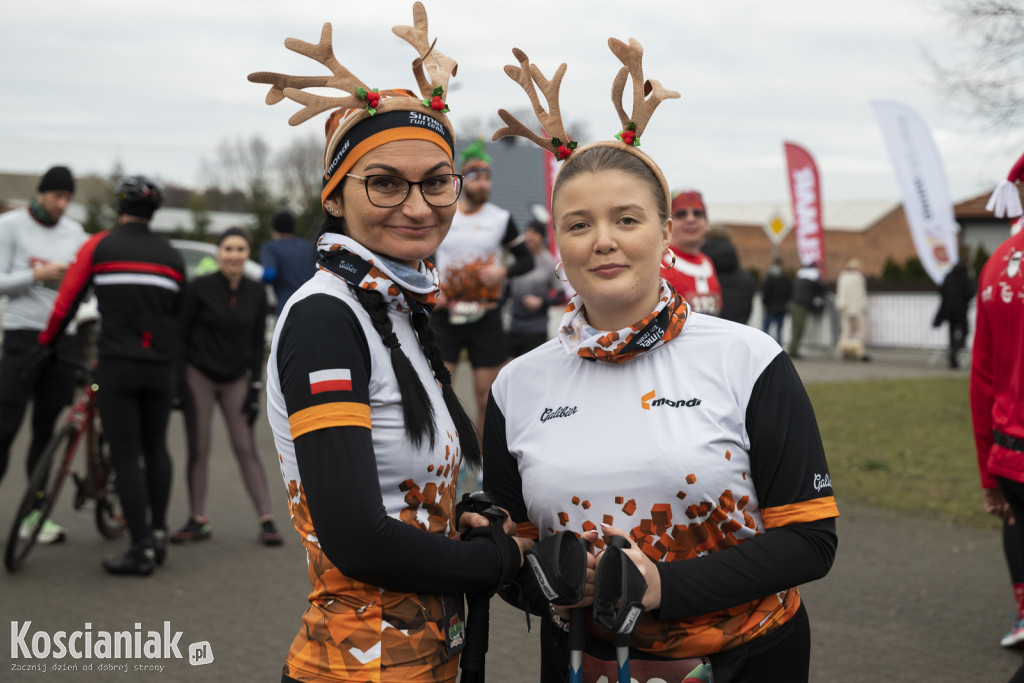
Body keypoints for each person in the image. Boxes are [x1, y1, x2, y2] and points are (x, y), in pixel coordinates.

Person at [485, 38, 838, 682]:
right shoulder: (517, 384)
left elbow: (811, 541)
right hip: (579, 662)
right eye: (578, 224)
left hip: (748, 659)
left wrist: (660, 587)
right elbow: (515, 559)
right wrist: (541, 580)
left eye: (626, 218)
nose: (604, 242)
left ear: (666, 231)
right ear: (556, 242)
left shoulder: (749, 359)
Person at [248, 5, 532, 680]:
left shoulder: (396, 306)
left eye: (436, 181)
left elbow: (399, 493)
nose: (417, 205)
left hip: (429, 654)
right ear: (336, 197)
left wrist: (468, 514)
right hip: (358, 666)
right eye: (385, 182)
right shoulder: (326, 315)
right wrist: (500, 560)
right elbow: (357, 539)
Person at [39, 175, 185, 576]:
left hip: (117, 366)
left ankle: (139, 551)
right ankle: (157, 533)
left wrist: (47, 345)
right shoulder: (171, 256)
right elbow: (179, 319)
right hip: (158, 367)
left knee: (124, 451)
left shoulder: (101, 246)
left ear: (120, 209)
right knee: (156, 448)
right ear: (153, 212)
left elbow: (68, 300)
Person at [172, 227, 282, 546]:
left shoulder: (257, 292)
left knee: (245, 446)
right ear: (218, 253)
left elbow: (255, 345)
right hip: (199, 375)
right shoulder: (199, 288)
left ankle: (266, 519)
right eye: (228, 249)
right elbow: (181, 335)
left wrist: (254, 390)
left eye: (240, 249)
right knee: (199, 446)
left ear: (248, 255)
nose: (234, 255)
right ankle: (198, 518)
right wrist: (179, 382)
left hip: (237, 377)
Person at [0, 165, 86, 544]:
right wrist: (38, 275)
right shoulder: (11, 226)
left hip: (62, 340)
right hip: (21, 336)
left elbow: (86, 285)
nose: (62, 204)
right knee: (5, 428)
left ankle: (32, 515)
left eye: (67, 198)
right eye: (56, 197)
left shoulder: (75, 233)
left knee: (46, 431)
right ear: (41, 192)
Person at [430, 138, 534, 440]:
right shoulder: (444, 214)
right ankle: (444, 456)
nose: (484, 184)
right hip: (447, 314)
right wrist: (435, 290)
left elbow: (526, 260)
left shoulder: (501, 219)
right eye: (478, 178)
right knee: (440, 392)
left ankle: (483, 465)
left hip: (485, 315)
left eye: (488, 178)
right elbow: (421, 255)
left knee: (486, 398)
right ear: (463, 181)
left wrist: (502, 271)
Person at [970, 227, 1024, 650]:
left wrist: (990, 478)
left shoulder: (995, 266)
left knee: (1015, 520)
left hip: (1009, 453)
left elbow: (983, 381)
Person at [506, 220, 565, 357]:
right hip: (513, 325)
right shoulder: (514, 259)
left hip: (536, 328)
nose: (529, 236)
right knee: (508, 368)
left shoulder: (550, 263)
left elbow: (561, 295)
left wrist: (541, 301)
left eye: (534, 233)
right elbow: (506, 290)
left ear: (542, 237)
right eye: (527, 232)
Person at [660, 188, 722, 315]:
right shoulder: (659, 263)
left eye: (697, 214)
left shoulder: (708, 262)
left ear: (706, 224)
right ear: (669, 225)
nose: (690, 219)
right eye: (681, 214)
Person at [260, 209, 316, 316]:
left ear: (273, 229)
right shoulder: (308, 246)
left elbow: (269, 275)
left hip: (287, 308)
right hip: (314, 304)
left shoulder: (271, 247)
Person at [701, 226, 755, 324]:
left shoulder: (696, 272)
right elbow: (747, 310)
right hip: (737, 332)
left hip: (704, 333)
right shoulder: (746, 278)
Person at [935, 254, 976, 369]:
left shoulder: (948, 276)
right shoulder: (965, 277)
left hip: (949, 310)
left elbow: (942, 291)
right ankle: (955, 350)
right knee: (965, 331)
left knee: (952, 333)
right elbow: (970, 293)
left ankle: (953, 356)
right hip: (961, 310)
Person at [787, 262, 826, 359]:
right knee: (798, 329)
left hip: (795, 304)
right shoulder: (813, 280)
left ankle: (793, 350)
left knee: (796, 329)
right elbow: (822, 289)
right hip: (801, 306)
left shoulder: (800, 278)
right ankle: (793, 351)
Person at [834, 258, 870, 361]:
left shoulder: (843, 276)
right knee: (861, 330)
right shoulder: (858, 277)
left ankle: (845, 351)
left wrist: (842, 306)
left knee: (846, 331)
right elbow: (860, 294)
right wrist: (862, 306)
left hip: (844, 308)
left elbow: (840, 293)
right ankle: (859, 352)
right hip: (856, 308)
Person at [761, 257, 792, 346]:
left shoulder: (770, 279)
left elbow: (766, 293)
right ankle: (778, 348)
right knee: (779, 330)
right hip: (782, 307)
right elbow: (789, 293)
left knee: (766, 329)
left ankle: (769, 344)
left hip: (771, 307)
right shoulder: (786, 279)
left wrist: (765, 303)